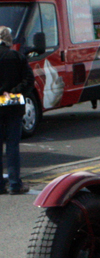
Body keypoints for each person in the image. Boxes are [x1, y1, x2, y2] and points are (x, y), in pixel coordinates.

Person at [0, 25, 34, 195]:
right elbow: (29, 80)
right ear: (8, 39)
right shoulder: (17, 56)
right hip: (13, 106)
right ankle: (14, 184)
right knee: (12, 145)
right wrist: (13, 92)